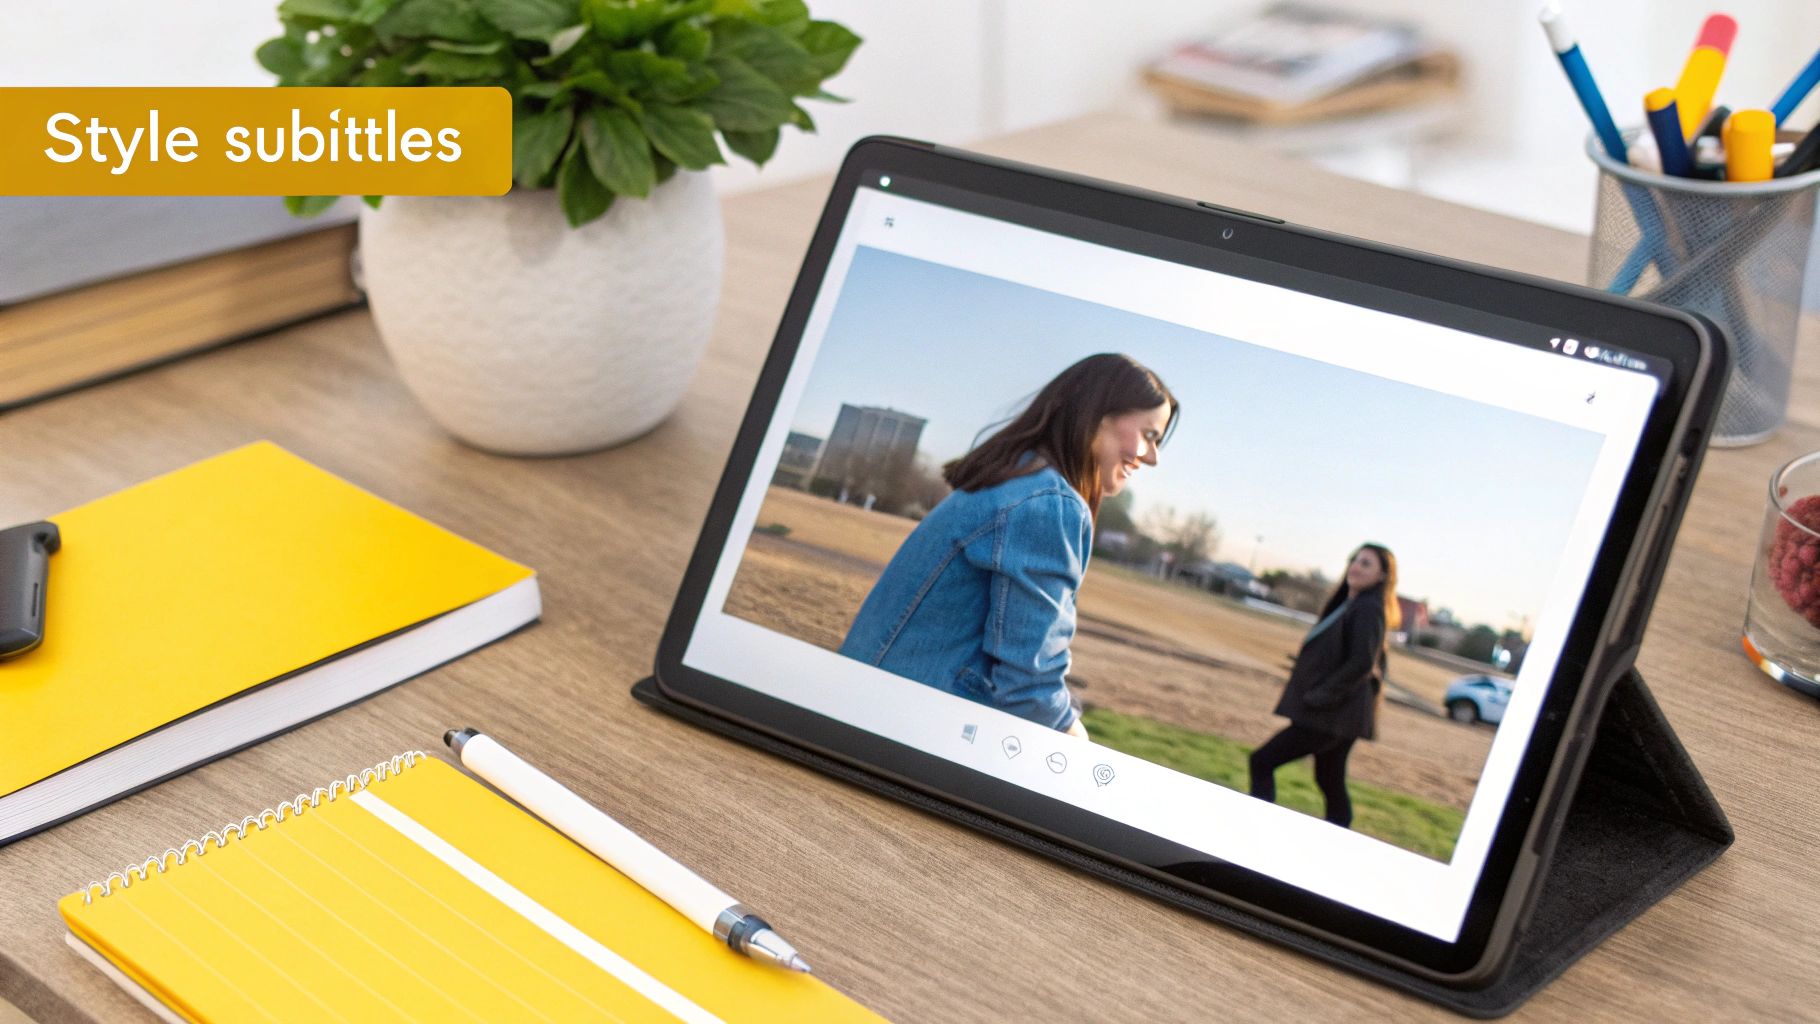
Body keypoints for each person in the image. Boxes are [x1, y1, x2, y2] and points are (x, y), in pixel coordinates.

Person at [840, 353, 1179, 738]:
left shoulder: (1017, 479)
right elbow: (1030, 688)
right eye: (1150, 435)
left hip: (869, 703)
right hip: (899, 726)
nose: (1152, 457)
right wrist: (1077, 745)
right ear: (1099, 415)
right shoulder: (1049, 503)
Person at [1248, 543, 1402, 828]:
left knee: (1262, 761)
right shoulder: (1351, 604)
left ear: (1382, 576)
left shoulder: (1369, 608)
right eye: (1355, 560)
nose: (1356, 566)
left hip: (1331, 715)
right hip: (1338, 715)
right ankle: (1337, 842)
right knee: (1329, 780)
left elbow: (1362, 663)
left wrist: (1320, 696)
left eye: (1366, 563)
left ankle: (1257, 829)